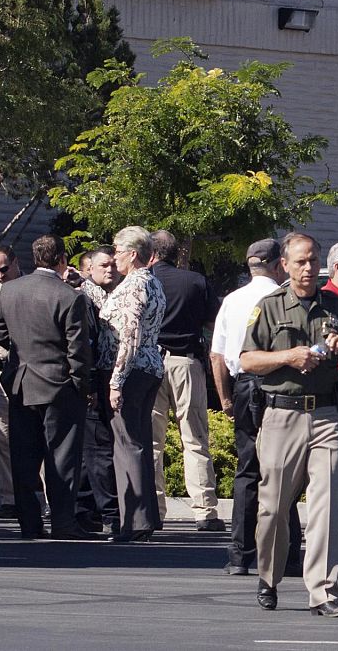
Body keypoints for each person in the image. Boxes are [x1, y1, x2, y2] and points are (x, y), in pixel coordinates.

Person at [239, 232, 338, 617]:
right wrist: (289, 356)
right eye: (300, 261)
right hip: (282, 414)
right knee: (273, 508)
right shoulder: (269, 306)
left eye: (314, 260)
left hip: (328, 415)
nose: (308, 268)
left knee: (328, 508)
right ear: (284, 264)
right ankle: (269, 575)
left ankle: (323, 592)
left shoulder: (336, 305)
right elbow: (247, 360)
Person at [0, 234, 97, 541]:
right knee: (62, 458)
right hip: (60, 386)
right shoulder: (70, 296)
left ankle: (29, 523)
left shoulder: (9, 291)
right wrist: (81, 384)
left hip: (22, 384)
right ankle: (63, 523)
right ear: (62, 259)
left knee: (24, 457)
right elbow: (78, 350)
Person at [210, 238, 300, 575]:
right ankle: (287, 555)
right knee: (283, 470)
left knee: (247, 470)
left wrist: (225, 398)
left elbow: (217, 355)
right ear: (279, 265)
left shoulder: (232, 300)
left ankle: (240, 556)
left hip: (245, 385)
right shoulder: (284, 299)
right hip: (278, 385)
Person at [148, 230, 222, 532]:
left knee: (152, 442)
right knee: (194, 439)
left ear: (150, 253)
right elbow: (211, 321)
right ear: (178, 252)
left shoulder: (143, 282)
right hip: (187, 362)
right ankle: (205, 510)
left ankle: (154, 509)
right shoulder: (195, 281)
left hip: (150, 363)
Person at [103, 226, 168, 543]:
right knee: (139, 442)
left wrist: (116, 381)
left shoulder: (133, 286)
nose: (114, 256)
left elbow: (128, 337)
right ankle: (146, 516)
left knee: (127, 443)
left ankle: (135, 520)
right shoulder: (151, 282)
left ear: (132, 254)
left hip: (132, 370)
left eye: (116, 250)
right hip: (150, 367)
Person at [76, 245, 121, 533]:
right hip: (95, 380)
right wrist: (91, 384)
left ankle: (85, 509)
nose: (110, 269)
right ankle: (109, 514)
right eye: (104, 265)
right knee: (97, 446)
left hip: (109, 375)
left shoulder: (113, 294)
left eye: (113, 265)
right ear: (88, 269)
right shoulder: (84, 297)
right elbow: (85, 343)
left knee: (92, 448)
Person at [0, 244, 30, 520]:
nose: (0, 275)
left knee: (37, 434)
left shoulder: (29, 287)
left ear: (14, 262)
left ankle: (47, 499)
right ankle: (10, 498)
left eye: (3, 269)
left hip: (28, 366)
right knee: (2, 434)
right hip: (0, 371)